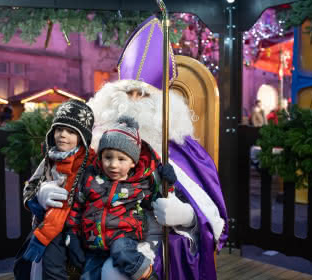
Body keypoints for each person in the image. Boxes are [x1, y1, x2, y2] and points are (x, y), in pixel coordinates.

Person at [37, 16, 228, 280]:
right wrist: (45, 189)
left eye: (145, 94)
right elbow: (68, 177)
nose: (135, 101)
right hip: (94, 234)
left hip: (151, 241)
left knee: (114, 273)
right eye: (128, 92)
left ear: (163, 101)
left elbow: (214, 219)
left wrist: (186, 216)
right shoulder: (92, 138)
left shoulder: (184, 150)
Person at [67, 116, 179, 280]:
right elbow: (77, 206)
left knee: (121, 251)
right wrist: (72, 234)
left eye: (121, 159)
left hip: (124, 236)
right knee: (88, 276)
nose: (113, 164)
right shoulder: (90, 178)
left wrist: (167, 183)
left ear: (133, 162)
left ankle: (147, 274)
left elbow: (157, 199)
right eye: (108, 157)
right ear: (101, 156)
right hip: (93, 241)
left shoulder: (139, 183)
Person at [13, 99, 96, 280]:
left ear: (83, 136)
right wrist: (37, 198)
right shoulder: (49, 160)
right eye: (59, 129)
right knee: (30, 267)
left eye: (71, 131)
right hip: (48, 225)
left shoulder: (91, 163)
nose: (63, 135)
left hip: (77, 227)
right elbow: (30, 185)